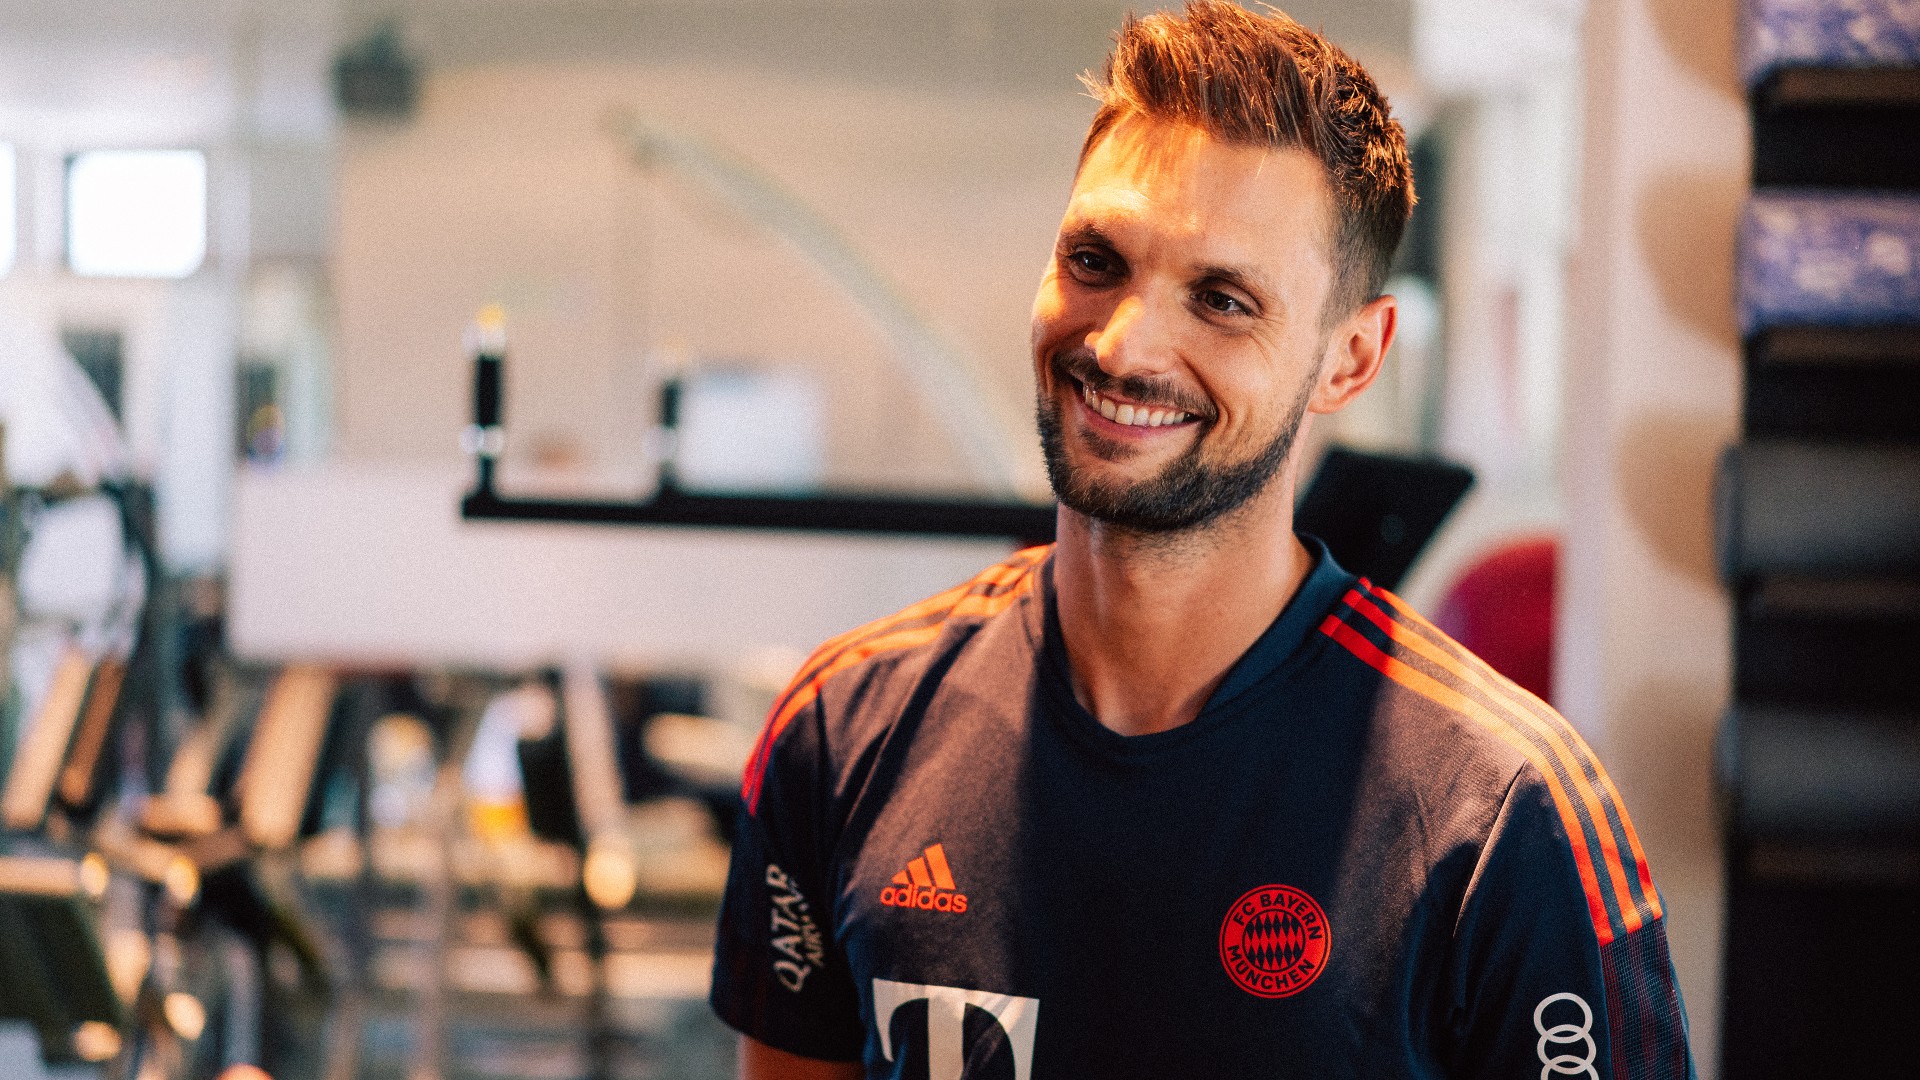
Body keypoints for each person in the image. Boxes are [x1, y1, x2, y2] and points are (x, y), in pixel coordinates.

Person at [710, 3, 1694, 1077]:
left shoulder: (1502, 817)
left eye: (1223, 300)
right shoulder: (843, 731)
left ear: (1350, 360)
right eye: (1095, 259)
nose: (1124, 345)